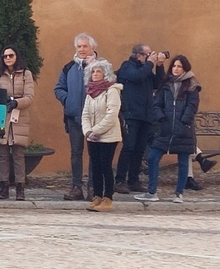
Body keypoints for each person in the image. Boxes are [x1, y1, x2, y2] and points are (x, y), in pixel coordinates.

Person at [136, 55, 200, 204]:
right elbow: (157, 104)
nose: (176, 69)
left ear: (185, 68)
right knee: (153, 157)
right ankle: (152, 192)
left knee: (183, 161)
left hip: (183, 129)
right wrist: (161, 118)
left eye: (179, 66)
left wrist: (183, 121)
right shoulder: (166, 84)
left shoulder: (192, 85)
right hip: (165, 129)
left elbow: (192, 106)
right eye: (174, 66)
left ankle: (179, 194)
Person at [114, 44, 165, 195]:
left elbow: (158, 84)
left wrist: (159, 66)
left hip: (145, 115)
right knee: (129, 147)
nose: (151, 57)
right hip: (131, 114)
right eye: (148, 54)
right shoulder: (127, 66)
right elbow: (137, 77)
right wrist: (150, 63)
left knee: (140, 149)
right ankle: (120, 180)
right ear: (139, 55)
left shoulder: (146, 70)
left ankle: (133, 180)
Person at [54, 33, 98, 201]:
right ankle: (76, 187)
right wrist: (68, 100)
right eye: (79, 46)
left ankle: (93, 188)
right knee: (76, 153)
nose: (81, 49)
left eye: (85, 46)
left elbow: (109, 85)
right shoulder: (69, 67)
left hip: (95, 118)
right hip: (74, 117)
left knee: (94, 154)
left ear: (92, 48)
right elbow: (59, 88)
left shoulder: (101, 66)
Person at [81, 60, 123, 212]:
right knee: (95, 166)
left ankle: (108, 198)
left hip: (108, 136)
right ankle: (97, 196)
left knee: (105, 165)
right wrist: (88, 131)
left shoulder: (112, 91)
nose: (95, 74)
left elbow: (112, 115)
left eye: (98, 71)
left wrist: (96, 130)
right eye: (93, 71)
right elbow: (85, 114)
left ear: (105, 74)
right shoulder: (90, 92)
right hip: (92, 136)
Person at [0, 45, 35, 201]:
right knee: (3, 153)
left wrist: (16, 103)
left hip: (19, 115)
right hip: (2, 115)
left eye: (11, 55)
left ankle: (20, 187)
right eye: (5, 56)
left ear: (16, 56)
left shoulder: (25, 74)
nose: (8, 58)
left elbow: (29, 97)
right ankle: (3, 186)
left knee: (18, 154)